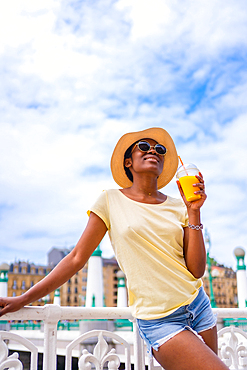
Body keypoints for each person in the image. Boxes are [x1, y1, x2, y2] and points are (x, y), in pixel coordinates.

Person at [0, 127, 228, 370]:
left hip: (198, 305)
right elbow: (77, 258)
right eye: (144, 147)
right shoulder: (109, 199)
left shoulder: (179, 206)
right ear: (128, 162)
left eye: (159, 150)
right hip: (160, 320)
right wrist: (24, 299)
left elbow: (195, 270)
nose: (153, 151)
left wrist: (194, 211)